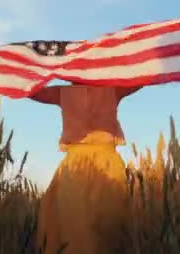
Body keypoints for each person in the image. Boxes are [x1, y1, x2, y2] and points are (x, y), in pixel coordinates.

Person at [30, 83, 142, 254]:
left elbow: (31, 91)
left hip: (78, 166)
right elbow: (139, 79)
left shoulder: (62, 92)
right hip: (104, 163)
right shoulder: (112, 89)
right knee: (105, 224)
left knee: (77, 226)